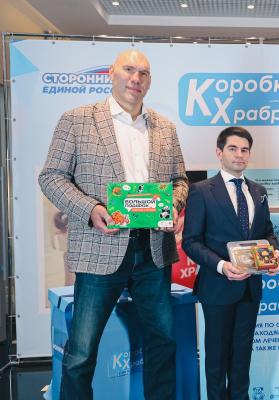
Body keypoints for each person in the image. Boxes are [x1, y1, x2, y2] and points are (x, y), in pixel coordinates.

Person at [38, 49, 188, 400]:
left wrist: (173, 205)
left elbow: (180, 181)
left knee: (162, 343)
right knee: (81, 352)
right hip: (98, 249)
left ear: (150, 81)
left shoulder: (165, 128)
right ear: (111, 73)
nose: (136, 78)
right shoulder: (76, 120)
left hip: (153, 252)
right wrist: (90, 208)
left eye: (144, 73)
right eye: (129, 69)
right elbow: (51, 177)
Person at [182, 126, 279, 400]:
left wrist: (274, 254)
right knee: (216, 358)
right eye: (233, 149)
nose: (239, 155)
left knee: (242, 357)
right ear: (219, 152)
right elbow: (191, 241)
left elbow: (268, 232)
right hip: (217, 287)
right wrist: (222, 266)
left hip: (250, 288)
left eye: (244, 150)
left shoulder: (258, 191)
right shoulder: (201, 191)